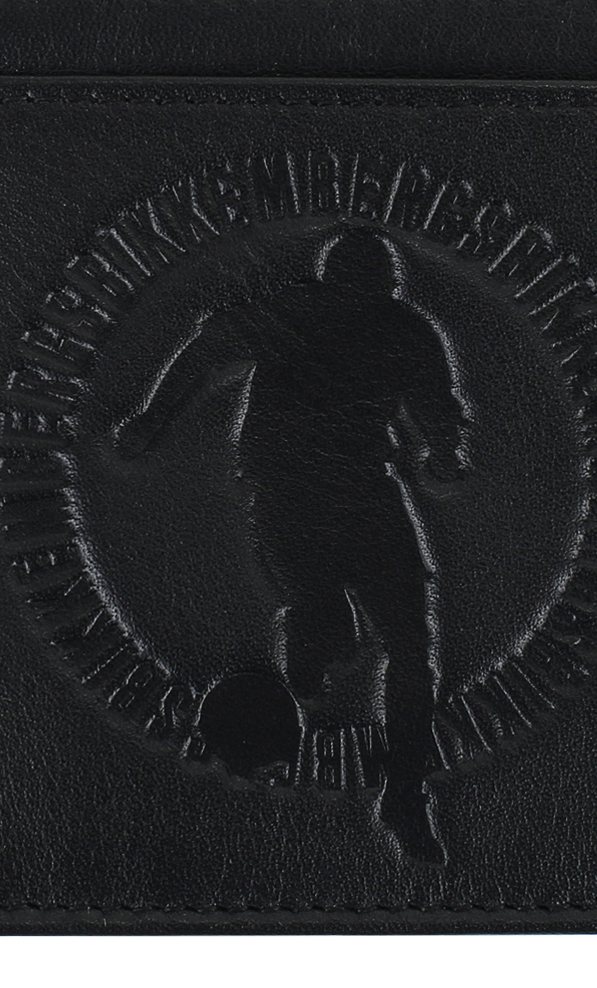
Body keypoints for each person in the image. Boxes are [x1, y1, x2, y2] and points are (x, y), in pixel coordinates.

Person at [117, 229, 469, 864]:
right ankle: (315, 639)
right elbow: (206, 352)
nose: (357, 308)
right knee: (343, 625)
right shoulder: (306, 315)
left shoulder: (397, 331)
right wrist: (153, 417)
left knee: (411, 646)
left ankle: (404, 791)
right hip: (293, 491)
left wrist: (444, 452)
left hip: (361, 491)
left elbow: (437, 412)